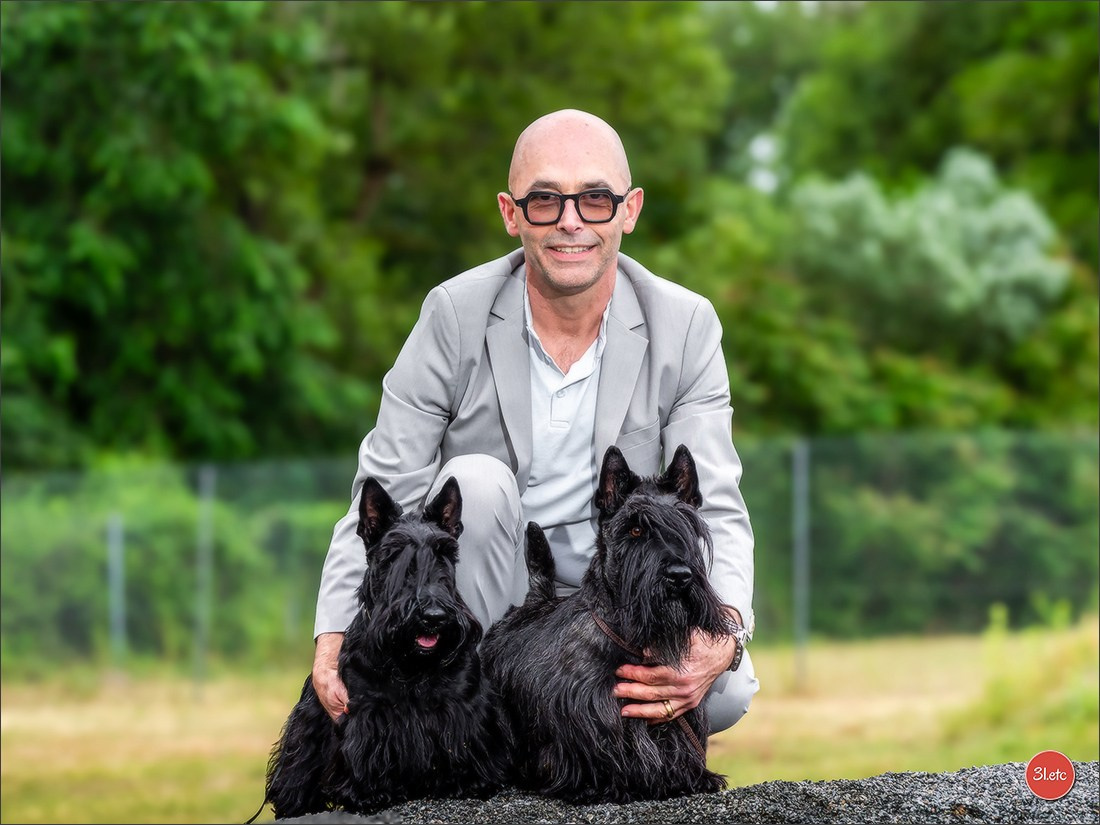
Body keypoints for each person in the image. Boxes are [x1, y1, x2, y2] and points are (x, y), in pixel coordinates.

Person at [312, 109, 759, 733]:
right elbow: (384, 487)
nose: (571, 220)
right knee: (473, 479)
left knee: (726, 693)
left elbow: (716, 504)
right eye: (545, 199)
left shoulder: (686, 325)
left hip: (621, 597)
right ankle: (499, 707)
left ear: (629, 210)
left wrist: (727, 634)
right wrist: (333, 633)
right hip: (497, 598)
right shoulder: (451, 314)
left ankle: (560, 726)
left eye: (595, 199)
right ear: (511, 212)